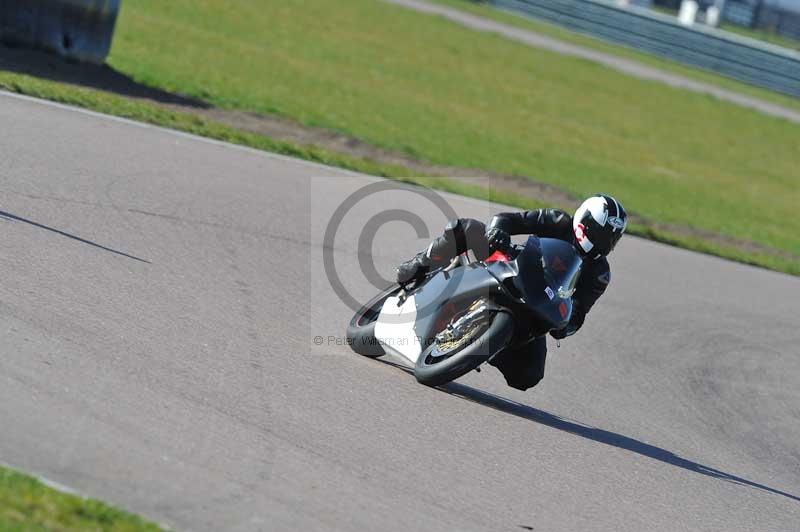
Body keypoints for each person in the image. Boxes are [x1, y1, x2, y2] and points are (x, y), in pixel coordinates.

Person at [395, 194, 627, 391]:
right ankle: (419, 264)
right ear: (583, 223)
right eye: (600, 234)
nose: (605, 242)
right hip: (512, 266)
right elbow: (508, 220)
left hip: (538, 306)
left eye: (612, 238)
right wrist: (497, 232)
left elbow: (579, 313)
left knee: (529, 376)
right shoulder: (557, 221)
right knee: (465, 229)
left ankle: (489, 345)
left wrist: (565, 323)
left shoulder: (599, 274)